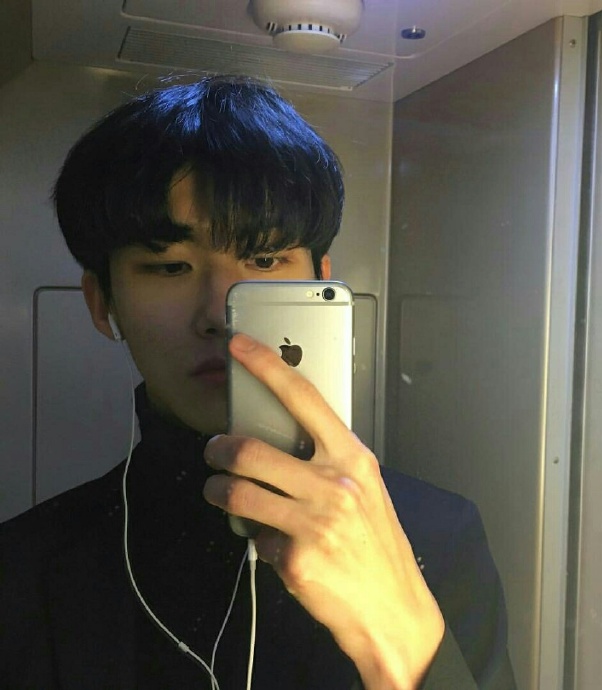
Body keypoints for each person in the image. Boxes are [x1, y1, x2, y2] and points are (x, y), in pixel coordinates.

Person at [0, 76, 516, 689]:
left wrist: (401, 637)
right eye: (169, 265)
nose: (220, 313)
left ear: (320, 284)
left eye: (265, 259)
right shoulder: (24, 570)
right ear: (101, 302)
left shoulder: (438, 537)